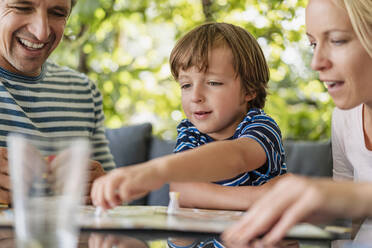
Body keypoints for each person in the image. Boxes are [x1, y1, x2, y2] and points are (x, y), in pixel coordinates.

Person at [91, 22, 287, 211]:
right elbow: (182, 191)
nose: (195, 97)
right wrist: (258, 197)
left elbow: (237, 157)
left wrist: (157, 171)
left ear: (249, 89)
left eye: (213, 82)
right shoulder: (190, 132)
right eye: (186, 85)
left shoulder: (260, 126)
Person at [222, 0, 372, 246]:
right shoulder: (345, 116)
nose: (316, 62)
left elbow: (348, 197)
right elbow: (348, 226)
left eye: (336, 40)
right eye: (313, 44)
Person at [0, 0, 115, 205]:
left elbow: (116, 203)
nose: (41, 33)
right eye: (22, 7)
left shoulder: (84, 91)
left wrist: (103, 190)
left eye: (58, 12)